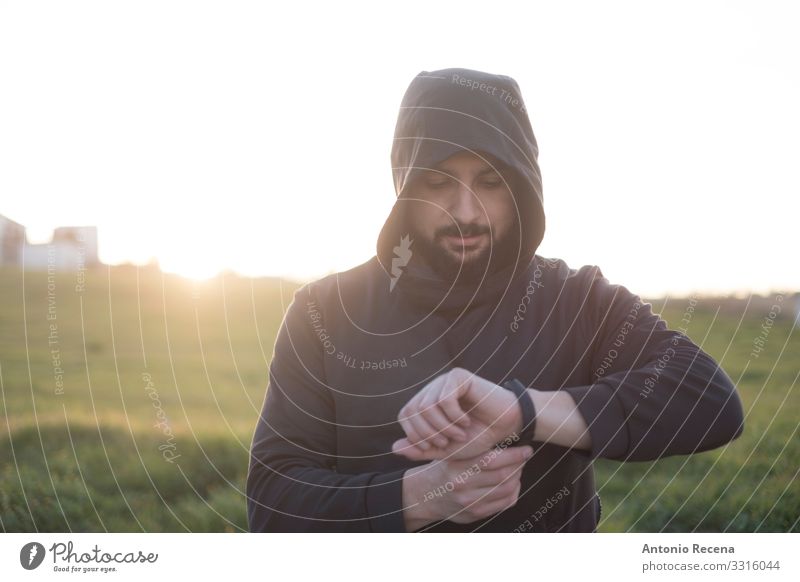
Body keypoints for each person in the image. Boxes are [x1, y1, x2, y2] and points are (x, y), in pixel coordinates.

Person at [245, 67, 745, 532]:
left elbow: (711, 401)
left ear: (524, 188)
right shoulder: (326, 311)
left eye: (492, 182)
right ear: (404, 186)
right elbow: (271, 499)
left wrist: (522, 410)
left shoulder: (574, 298)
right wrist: (419, 497)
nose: (467, 211)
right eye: (438, 182)